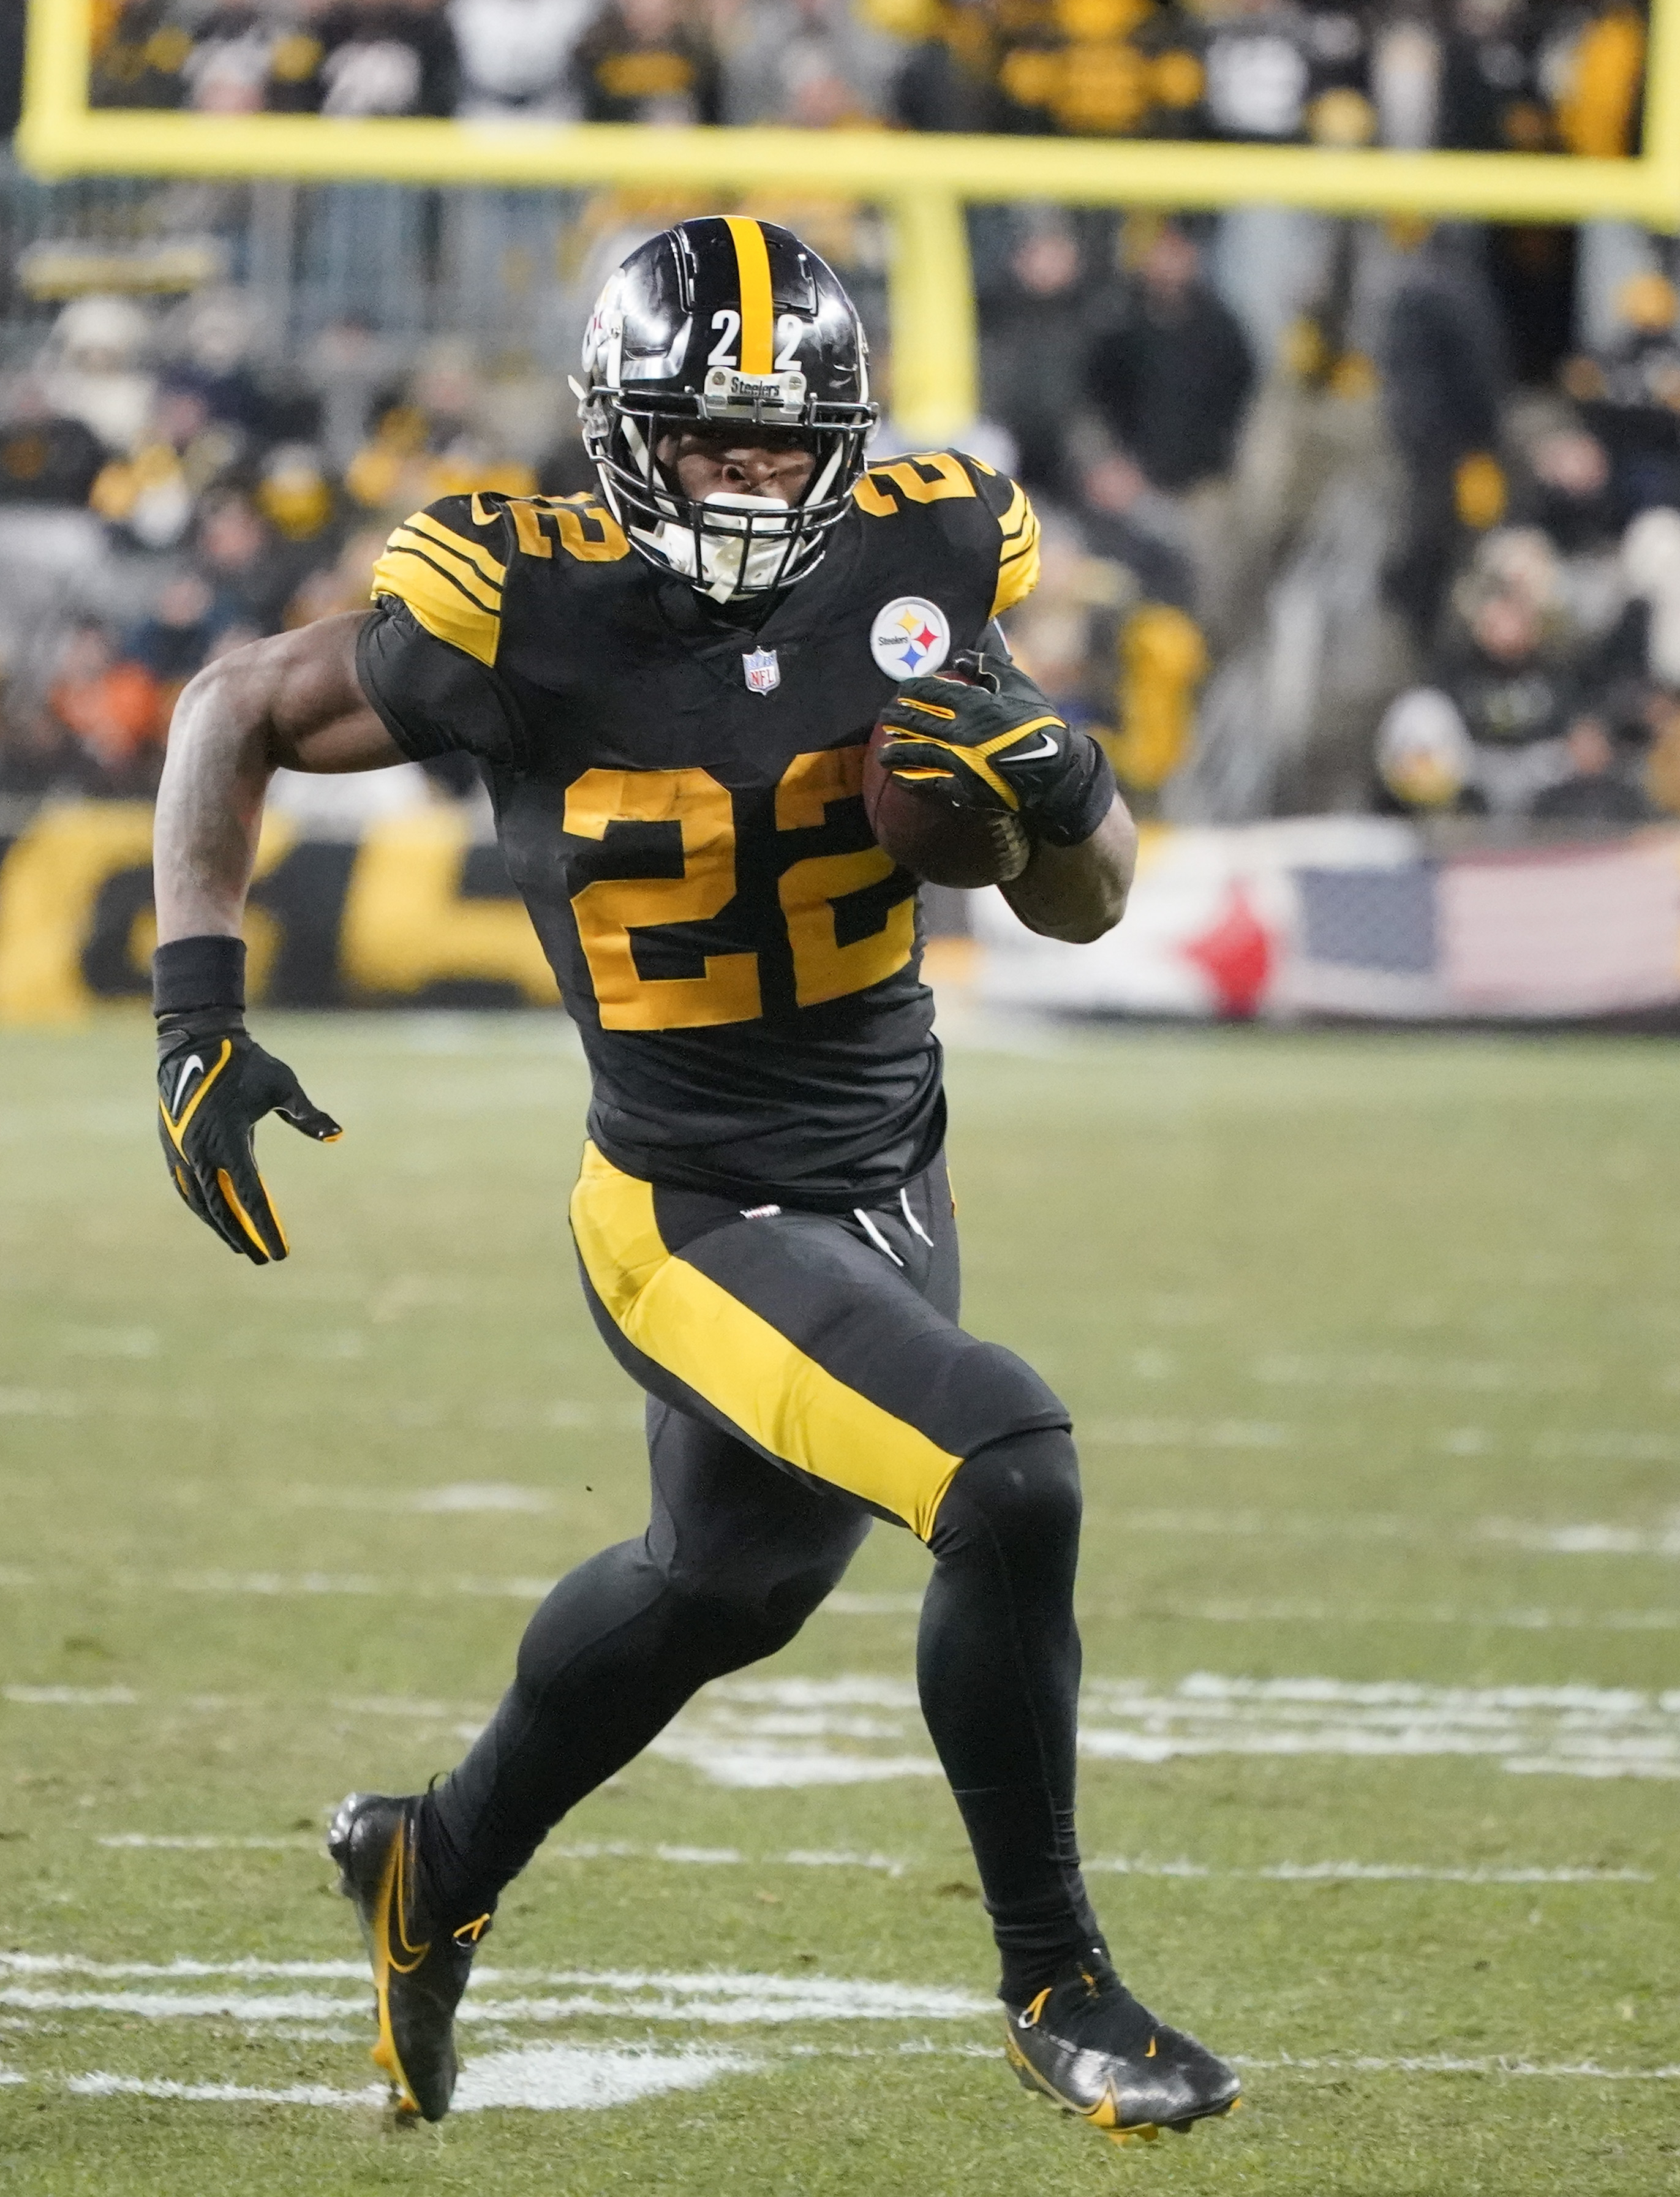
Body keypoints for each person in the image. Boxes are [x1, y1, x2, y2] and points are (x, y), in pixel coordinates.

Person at [145, 216, 1234, 2139]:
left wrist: (1059, 791)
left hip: (892, 1171)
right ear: (618, 431)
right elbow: (230, 700)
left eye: (777, 443)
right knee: (1005, 1470)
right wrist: (193, 1007)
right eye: (705, 441)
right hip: (687, 1206)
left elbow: (1078, 902)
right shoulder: (517, 602)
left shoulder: (919, 557)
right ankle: (1057, 1975)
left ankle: (433, 1862)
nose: (746, 480)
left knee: (726, 1582)